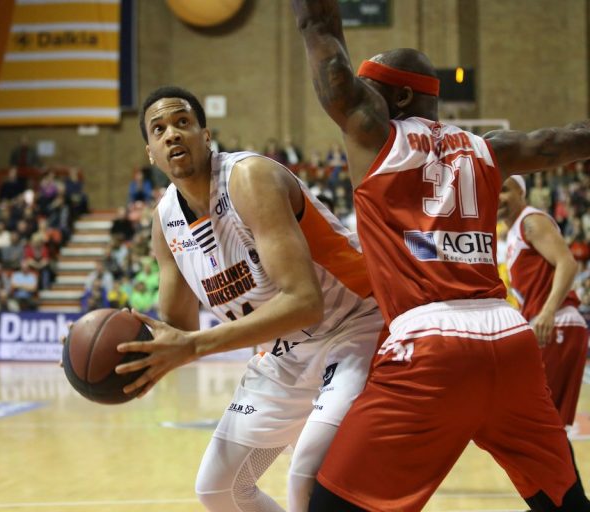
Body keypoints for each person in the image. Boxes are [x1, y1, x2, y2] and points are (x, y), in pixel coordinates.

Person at [292, 1, 590, 510]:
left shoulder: (376, 136)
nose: (359, 100)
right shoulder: (489, 148)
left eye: (371, 90)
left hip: (431, 348)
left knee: (331, 503)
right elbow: (566, 140)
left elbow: (321, 31)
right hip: (510, 340)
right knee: (564, 502)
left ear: (400, 96)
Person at [115, 86, 384, 512]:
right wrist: (119, 351)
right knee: (218, 489)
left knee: (305, 475)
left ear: (206, 136)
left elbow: (304, 302)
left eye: (183, 122)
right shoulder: (165, 223)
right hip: (282, 351)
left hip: (354, 326)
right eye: (159, 129)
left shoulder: (249, 178)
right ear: (150, 152)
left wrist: (194, 345)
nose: (171, 134)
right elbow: (180, 328)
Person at [499, 175, 588, 477]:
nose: (498, 197)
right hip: (545, 327)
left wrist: (548, 311)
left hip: (557, 323)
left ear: (521, 192)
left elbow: (567, 263)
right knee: (548, 427)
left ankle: (566, 502)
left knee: (539, 424)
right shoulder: (510, 234)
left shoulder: (531, 222)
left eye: (505, 190)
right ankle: (566, 501)